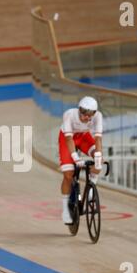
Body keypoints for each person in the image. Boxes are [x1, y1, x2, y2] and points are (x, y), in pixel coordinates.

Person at [58, 96, 103, 224]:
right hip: (68, 139)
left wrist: (98, 159)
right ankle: (66, 209)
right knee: (68, 174)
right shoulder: (69, 115)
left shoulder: (98, 116)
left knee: (99, 158)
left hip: (84, 137)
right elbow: (68, 139)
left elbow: (98, 139)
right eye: (84, 115)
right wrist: (76, 158)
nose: (87, 118)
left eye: (90, 116)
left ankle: (91, 186)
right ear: (79, 111)